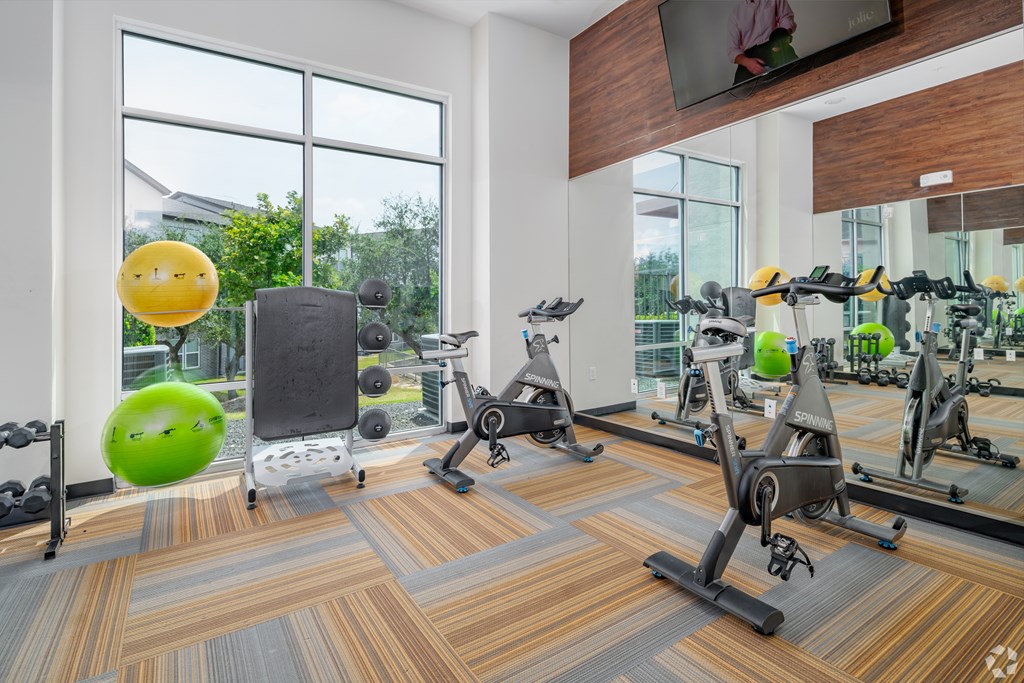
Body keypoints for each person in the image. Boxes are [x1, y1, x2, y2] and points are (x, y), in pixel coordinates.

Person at [728, 0, 798, 85]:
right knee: (739, 92)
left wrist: (782, 37)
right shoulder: (736, 14)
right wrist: (748, 62)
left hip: (775, 44)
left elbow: (786, 17)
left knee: (797, 74)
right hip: (749, 56)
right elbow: (732, 49)